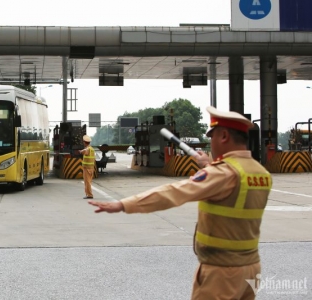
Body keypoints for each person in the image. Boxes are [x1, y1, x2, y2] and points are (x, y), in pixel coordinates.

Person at [88, 106, 272, 300]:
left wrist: (124, 204)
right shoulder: (260, 173)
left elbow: (174, 193)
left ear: (224, 136)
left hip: (221, 272)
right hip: (251, 268)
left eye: (213, 136)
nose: (211, 142)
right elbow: (231, 190)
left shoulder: (221, 174)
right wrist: (209, 166)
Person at [79, 135, 95, 199]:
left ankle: (89, 195)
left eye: (83, 142)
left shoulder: (87, 149)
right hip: (91, 168)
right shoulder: (92, 149)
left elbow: (83, 151)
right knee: (89, 181)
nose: (83, 143)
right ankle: (89, 194)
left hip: (87, 168)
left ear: (85, 142)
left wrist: (80, 151)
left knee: (87, 182)